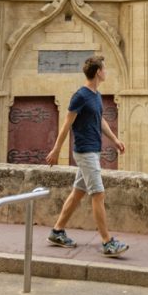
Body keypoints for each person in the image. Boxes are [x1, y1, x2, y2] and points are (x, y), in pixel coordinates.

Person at [45, 56, 129, 256]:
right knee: (98, 194)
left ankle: (57, 231)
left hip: (93, 150)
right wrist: (56, 150)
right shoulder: (80, 96)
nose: (106, 72)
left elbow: (99, 120)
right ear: (98, 72)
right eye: (104, 69)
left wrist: (115, 140)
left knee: (77, 193)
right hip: (85, 151)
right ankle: (107, 242)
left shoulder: (96, 95)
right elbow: (67, 124)